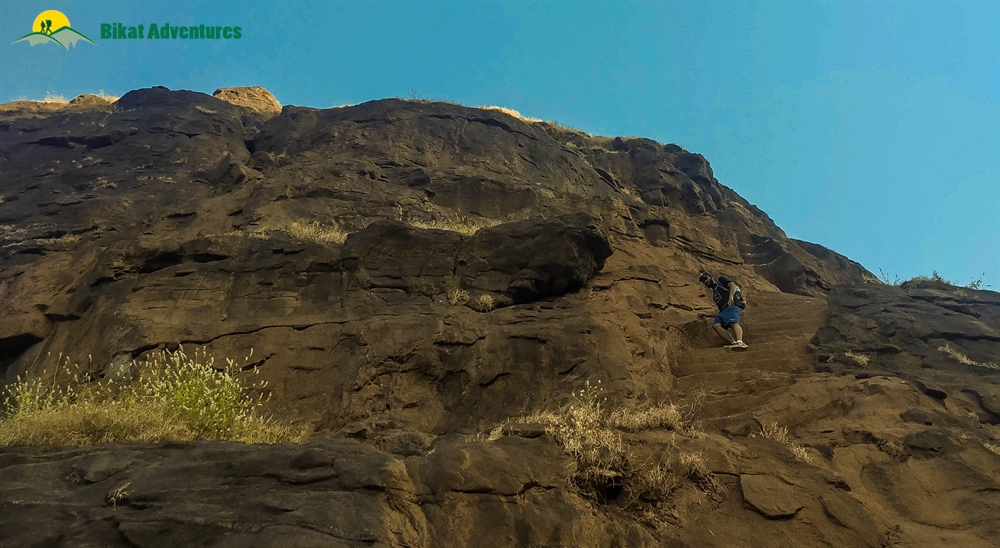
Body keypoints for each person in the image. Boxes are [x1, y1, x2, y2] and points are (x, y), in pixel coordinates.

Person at [699, 272, 748, 350]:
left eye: (706, 278)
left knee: (732, 322)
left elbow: (732, 285)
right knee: (716, 325)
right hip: (725, 310)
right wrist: (707, 315)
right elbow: (721, 312)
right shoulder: (714, 294)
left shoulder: (720, 280)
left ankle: (740, 342)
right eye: (703, 281)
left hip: (732, 305)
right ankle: (734, 343)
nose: (705, 282)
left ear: (711, 277)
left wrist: (731, 297)